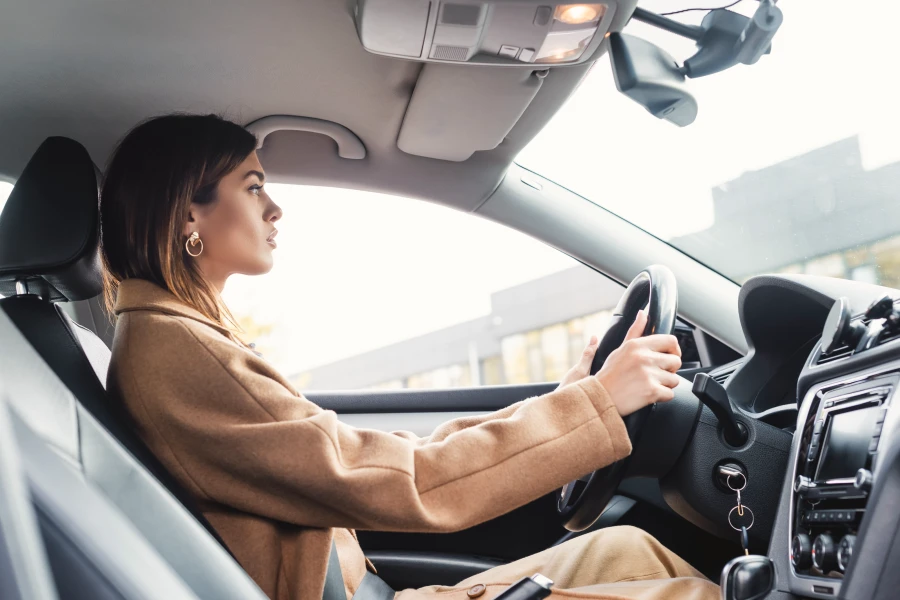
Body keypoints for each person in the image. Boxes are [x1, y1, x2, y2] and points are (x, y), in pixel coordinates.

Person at [99, 114, 719, 600]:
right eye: (254, 186)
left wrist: (570, 402)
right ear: (189, 212)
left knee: (630, 551)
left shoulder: (178, 336)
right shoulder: (179, 351)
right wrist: (597, 404)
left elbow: (373, 461)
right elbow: (410, 483)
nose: (275, 208)